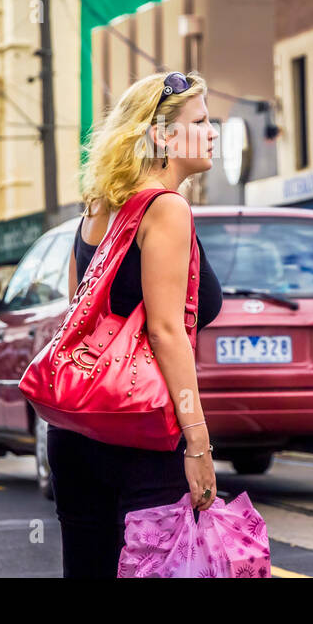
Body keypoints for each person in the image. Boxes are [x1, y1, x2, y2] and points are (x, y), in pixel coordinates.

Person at [47, 70, 225, 578]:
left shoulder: (97, 208)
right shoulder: (166, 210)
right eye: (202, 121)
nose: (213, 132)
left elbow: (76, 319)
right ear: (164, 136)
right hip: (142, 432)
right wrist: (198, 444)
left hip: (78, 428)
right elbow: (168, 333)